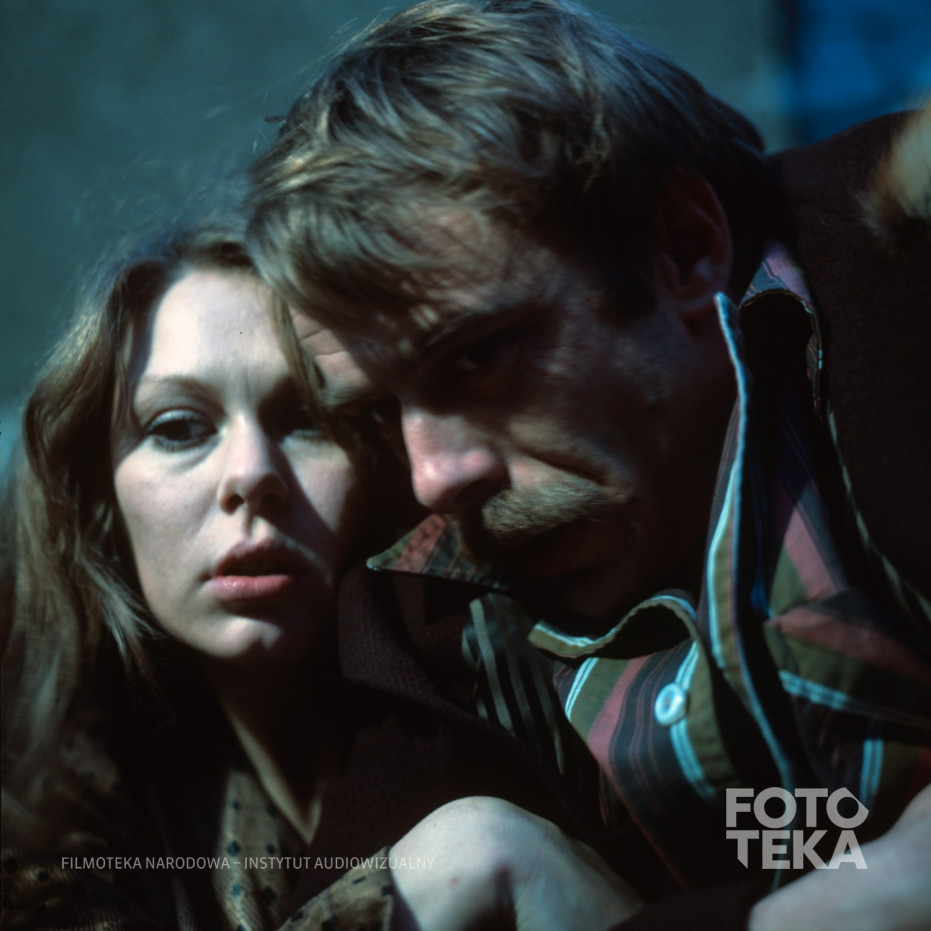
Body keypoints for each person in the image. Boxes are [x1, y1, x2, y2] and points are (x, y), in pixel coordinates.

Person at [245, 0, 931, 926]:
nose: (433, 477)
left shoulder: (902, 291)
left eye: (478, 358)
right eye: (375, 411)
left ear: (683, 249)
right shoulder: (424, 605)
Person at [0, 204, 640, 929]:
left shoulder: (557, 692)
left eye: (306, 419)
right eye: (179, 428)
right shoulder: (53, 814)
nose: (252, 473)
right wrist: (463, 861)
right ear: (99, 502)